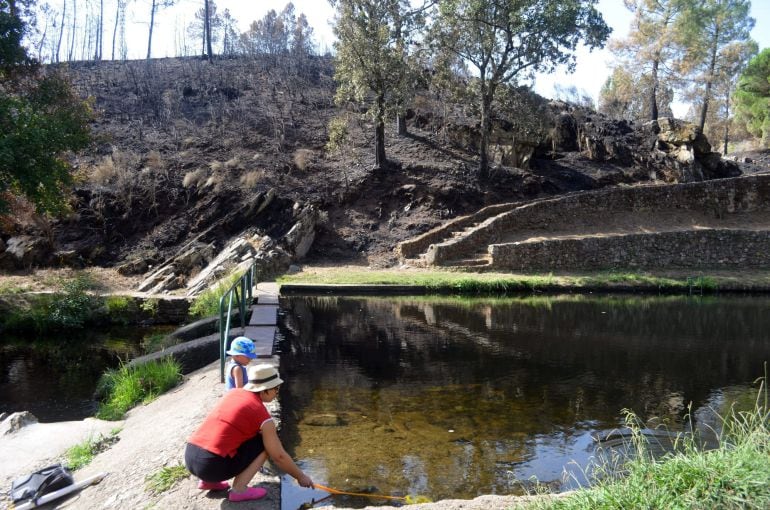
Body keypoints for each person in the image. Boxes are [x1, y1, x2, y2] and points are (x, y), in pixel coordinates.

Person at [185, 363, 314, 502]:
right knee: (264, 444)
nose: (277, 393)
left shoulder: (234, 393)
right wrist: (300, 476)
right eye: (276, 389)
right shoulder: (261, 414)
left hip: (191, 457)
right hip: (211, 466)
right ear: (265, 390)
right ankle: (239, 490)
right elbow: (279, 456)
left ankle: (208, 481)